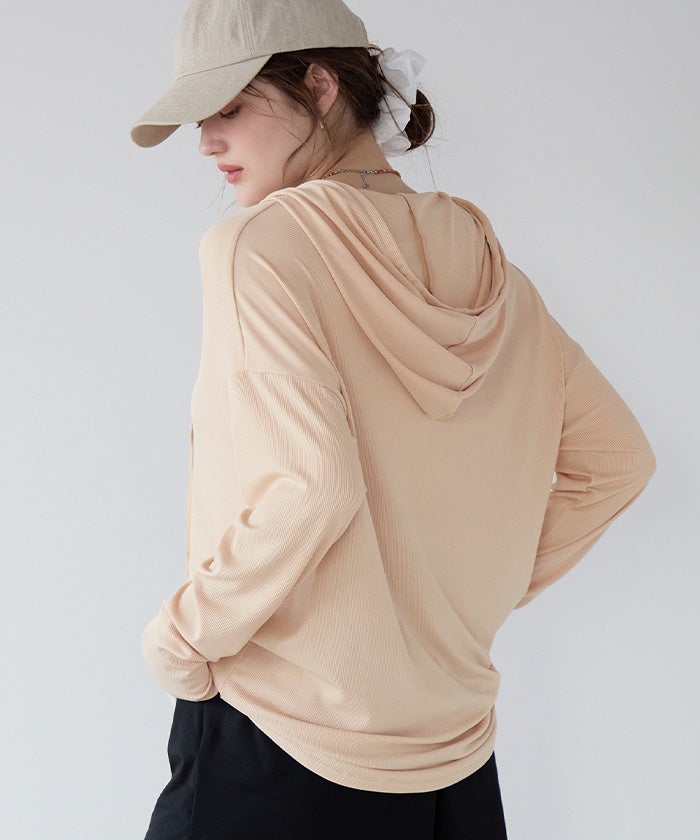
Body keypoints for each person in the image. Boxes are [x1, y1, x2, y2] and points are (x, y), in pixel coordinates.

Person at [130, 1, 658, 838]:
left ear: (321, 84)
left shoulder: (257, 248)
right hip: (452, 757)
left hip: (282, 739)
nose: (206, 142)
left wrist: (181, 640)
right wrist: (447, 602)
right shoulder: (494, 274)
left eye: (229, 106)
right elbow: (617, 459)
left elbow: (312, 485)